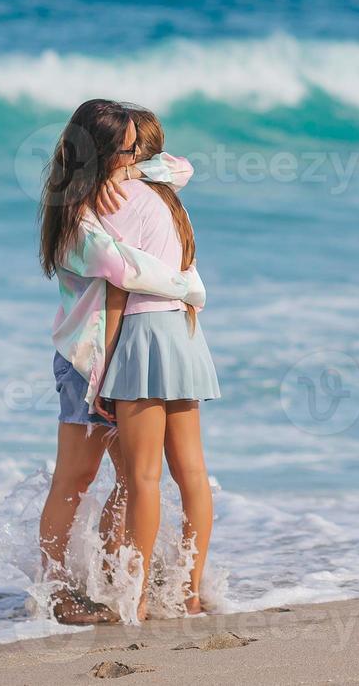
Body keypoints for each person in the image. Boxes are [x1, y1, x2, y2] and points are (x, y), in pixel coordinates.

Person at [36, 99, 203, 624]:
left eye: (136, 149)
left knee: (133, 478)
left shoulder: (117, 186)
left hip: (121, 354)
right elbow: (124, 270)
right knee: (75, 477)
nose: (136, 158)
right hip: (85, 360)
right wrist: (188, 286)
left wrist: (131, 165)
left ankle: (113, 576)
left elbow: (178, 166)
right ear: (94, 151)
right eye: (124, 150)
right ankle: (54, 589)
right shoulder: (76, 216)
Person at [93, 107, 219, 621]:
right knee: (191, 471)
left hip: (143, 336)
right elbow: (178, 166)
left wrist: (100, 371)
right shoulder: (171, 199)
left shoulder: (116, 199)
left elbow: (118, 288)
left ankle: (137, 598)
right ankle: (188, 593)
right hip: (185, 332)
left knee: (141, 477)